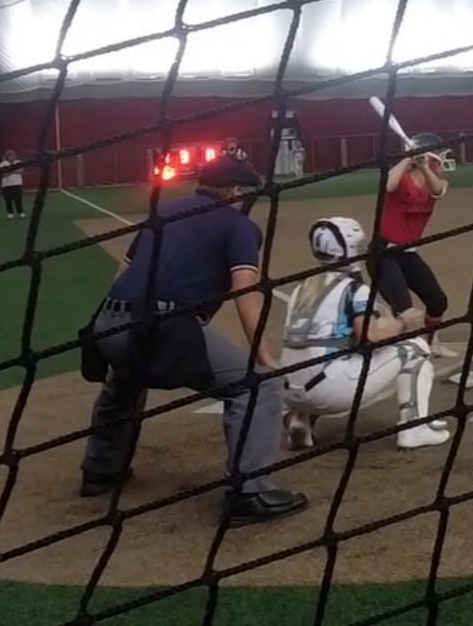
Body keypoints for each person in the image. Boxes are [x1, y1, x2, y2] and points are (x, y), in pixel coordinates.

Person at [76, 156, 307, 527]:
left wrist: (112, 326)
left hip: (106, 321)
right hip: (160, 325)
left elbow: (124, 271)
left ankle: (100, 472)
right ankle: (249, 493)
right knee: (257, 388)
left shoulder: (165, 212)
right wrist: (264, 355)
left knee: (125, 379)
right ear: (235, 190)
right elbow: (245, 292)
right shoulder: (237, 225)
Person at [279, 217, 451, 452]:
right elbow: (369, 338)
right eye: (357, 246)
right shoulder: (353, 289)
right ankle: (414, 428)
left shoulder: (302, 288)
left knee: (325, 351)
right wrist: (403, 323)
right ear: (347, 248)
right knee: (415, 347)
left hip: (290, 389)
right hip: (330, 390)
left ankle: (300, 421)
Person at [371, 134, 457, 359]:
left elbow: (438, 191)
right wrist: (408, 157)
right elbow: (387, 184)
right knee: (405, 309)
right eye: (438, 156)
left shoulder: (436, 182)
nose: (442, 161)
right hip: (383, 254)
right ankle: (397, 352)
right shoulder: (401, 178)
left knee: (438, 301)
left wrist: (424, 166)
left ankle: (431, 343)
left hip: (408, 255)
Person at [0, 150, 26, 218]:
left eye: (13, 155)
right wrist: (14, 171)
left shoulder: (18, 162)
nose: (12, 157)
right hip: (6, 185)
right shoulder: (3, 164)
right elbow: (4, 174)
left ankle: (20, 212)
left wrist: (10, 171)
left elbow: (21, 171)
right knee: (8, 200)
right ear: (7, 156)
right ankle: (10, 213)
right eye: (10, 155)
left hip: (17, 184)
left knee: (18, 199)